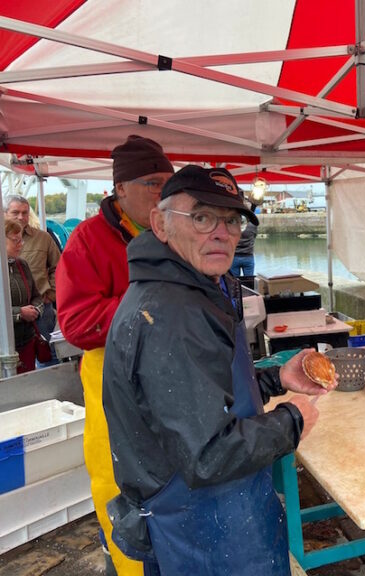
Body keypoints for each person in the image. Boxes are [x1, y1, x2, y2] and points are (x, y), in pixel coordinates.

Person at [102, 165, 332, 575]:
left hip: (220, 511)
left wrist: (275, 379)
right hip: (202, 526)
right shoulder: (170, 314)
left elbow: (207, 395)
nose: (222, 233)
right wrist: (292, 419)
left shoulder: (196, 288)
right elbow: (207, 455)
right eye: (203, 217)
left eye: (231, 220)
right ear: (161, 223)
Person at [56, 135, 174, 576]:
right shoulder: (86, 239)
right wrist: (147, 307)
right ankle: (126, 561)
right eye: (152, 183)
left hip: (171, 374)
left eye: (168, 182)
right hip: (112, 377)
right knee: (117, 476)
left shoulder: (175, 230)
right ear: (120, 188)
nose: (163, 193)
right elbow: (75, 323)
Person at [5, 194, 60, 346]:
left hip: (42, 307)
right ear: (4, 214)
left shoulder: (43, 238)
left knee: (47, 353)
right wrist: (18, 312)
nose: (21, 217)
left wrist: (51, 294)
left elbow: (59, 266)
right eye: (15, 212)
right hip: (9, 318)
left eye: (25, 212)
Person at [5, 219, 43, 373]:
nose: (21, 244)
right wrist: (20, 314)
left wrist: (36, 310)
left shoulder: (22, 264)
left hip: (26, 344)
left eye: (21, 240)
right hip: (4, 349)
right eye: (15, 241)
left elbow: (36, 296)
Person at [229, 201, 259, 277]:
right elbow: (254, 236)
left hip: (234, 257)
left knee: (234, 281)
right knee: (249, 281)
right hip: (248, 257)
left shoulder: (233, 226)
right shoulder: (253, 226)